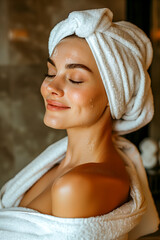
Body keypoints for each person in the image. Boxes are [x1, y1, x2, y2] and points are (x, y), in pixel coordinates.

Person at [0, 7, 159, 240]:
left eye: (75, 79)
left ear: (114, 95)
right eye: (51, 72)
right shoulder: (57, 166)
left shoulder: (77, 186)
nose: (51, 88)